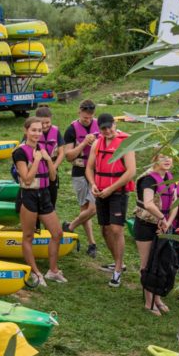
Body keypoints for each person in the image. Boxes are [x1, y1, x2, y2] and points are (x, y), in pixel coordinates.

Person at [13, 115, 65, 287]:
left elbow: (52, 177)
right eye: (33, 130)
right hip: (28, 196)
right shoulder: (20, 152)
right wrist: (36, 160)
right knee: (28, 236)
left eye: (39, 130)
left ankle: (53, 271)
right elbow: (27, 179)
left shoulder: (42, 149)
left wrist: (48, 159)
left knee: (57, 233)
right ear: (26, 131)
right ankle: (35, 273)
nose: (37, 133)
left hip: (45, 195)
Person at [86, 113, 135, 287]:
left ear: (115, 124)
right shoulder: (97, 143)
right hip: (100, 192)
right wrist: (93, 184)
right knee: (105, 230)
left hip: (117, 193)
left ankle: (118, 270)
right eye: (103, 128)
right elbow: (89, 168)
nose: (107, 131)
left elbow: (131, 171)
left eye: (109, 126)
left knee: (116, 229)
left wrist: (111, 189)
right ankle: (117, 261)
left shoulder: (126, 143)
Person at [134, 153, 176, 315]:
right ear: (154, 159)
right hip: (146, 225)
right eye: (163, 157)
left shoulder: (170, 177)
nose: (167, 160)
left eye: (170, 157)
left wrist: (168, 223)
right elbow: (148, 204)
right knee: (147, 264)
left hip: (163, 226)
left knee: (161, 262)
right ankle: (148, 302)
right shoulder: (148, 180)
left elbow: (175, 203)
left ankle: (157, 298)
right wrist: (162, 218)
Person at [62, 99, 99, 258]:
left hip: (97, 171)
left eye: (90, 117)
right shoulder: (71, 129)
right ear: (79, 112)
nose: (87, 120)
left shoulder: (99, 125)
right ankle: (92, 243)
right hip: (79, 170)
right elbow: (68, 156)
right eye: (85, 117)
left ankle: (70, 226)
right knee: (85, 209)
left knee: (94, 208)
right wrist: (84, 143)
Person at [35, 106, 64, 214]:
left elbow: (62, 153)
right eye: (42, 123)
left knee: (52, 199)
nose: (45, 125)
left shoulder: (56, 131)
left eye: (47, 122)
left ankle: (50, 219)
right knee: (37, 200)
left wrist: (53, 167)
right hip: (37, 170)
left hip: (52, 168)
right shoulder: (32, 131)